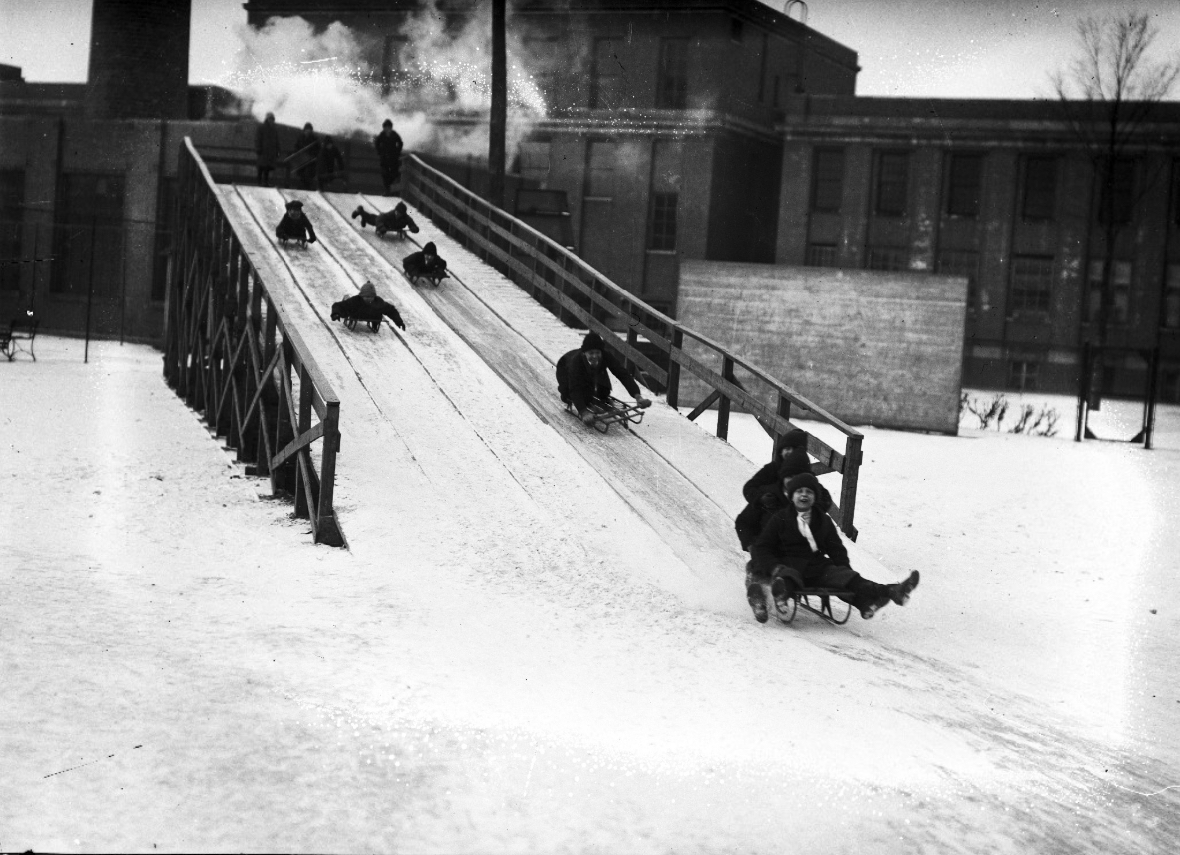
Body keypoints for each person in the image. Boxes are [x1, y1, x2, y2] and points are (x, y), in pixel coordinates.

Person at [746, 471, 919, 624]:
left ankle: (891, 590)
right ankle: (779, 595)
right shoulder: (780, 518)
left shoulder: (822, 520)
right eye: (799, 491)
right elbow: (763, 546)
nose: (804, 495)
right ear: (792, 496)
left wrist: (845, 573)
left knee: (846, 577)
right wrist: (773, 566)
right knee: (788, 577)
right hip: (788, 564)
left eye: (809, 492)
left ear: (815, 497)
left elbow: (836, 548)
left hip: (815, 567)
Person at [734, 428, 831, 550]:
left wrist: (811, 509)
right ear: (780, 451)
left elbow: (824, 498)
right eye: (787, 448)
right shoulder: (772, 469)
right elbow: (749, 488)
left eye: (794, 449)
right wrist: (762, 498)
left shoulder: (805, 474)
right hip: (768, 512)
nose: (790, 452)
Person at [556, 331, 652, 425]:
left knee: (603, 392)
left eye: (597, 352)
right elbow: (575, 388)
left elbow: (622, 374)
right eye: (591, 353)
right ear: (585, 353)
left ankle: (592, 394)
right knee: (578, 395)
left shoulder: (606, 355)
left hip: (592, 372)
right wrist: (583, 411)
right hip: (564, 370)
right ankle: (566, 396)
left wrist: (638, 396)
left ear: (601, 352)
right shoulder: (576, 362)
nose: (595, 356)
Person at [330, 280, 407, 331]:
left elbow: (391, 310)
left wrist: (399, 322)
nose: (368, 299)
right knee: (348, 305)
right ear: (361, 296)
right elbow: (340, 305)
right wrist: (336, 313)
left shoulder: (378, 302)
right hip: (357, 315)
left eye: (371, 297)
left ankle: (374, 324)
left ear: (374, 296)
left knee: (381, 310)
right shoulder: (356, 300)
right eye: (366, 297)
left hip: (373, 316)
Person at [352, 200, 419, 237]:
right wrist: (381, 227)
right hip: (384, 224)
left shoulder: (406, 218)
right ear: (395, 211)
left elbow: (413, 225)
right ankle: (360, 211)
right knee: (372, 219)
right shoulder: (390, 214)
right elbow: (379, 220)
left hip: (392, 226)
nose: (398, 215)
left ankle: (364, 217)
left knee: (374, 218)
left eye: (400, 214)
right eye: (397, 212)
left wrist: (413, 228)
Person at [374, 119, 404, 195]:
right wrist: (380, 152)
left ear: (390, 127)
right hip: (384, 157)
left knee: (394, 174)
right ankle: (387, 190)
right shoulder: (382, 134)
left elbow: (400, 143)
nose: (386, 129)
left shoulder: (394, 134)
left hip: (393, 157)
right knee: (384, 174)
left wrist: (397, 152)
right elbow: (377, 143)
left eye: (388, 127)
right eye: (385, 127)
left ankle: (389, 188)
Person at [291, 122, 320, 190]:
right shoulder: (300, 138)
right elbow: (296, 146)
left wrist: (314, 155)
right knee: (301, 174)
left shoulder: (314, 139)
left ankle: (308, 187)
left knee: (309, 174)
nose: (308, 131)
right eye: (307, 130)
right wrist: (296, 152)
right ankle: (303, 187)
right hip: (301, 159)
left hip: (310, 160)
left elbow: (318, 149)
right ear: (304, 130)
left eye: (309, 130)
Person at [255, 112, 280, 187]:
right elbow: (258, 139)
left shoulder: (274, 129)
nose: (271, 120)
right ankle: (259, 182)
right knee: (261, 167)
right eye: (270, 119)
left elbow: (277, 141)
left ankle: (265, 182)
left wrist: (278, 150)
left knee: (267, 168)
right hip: (263, 151)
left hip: (271, 152)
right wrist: (258, 148)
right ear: (267, 119)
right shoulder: (261, 127)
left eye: (272, 119)